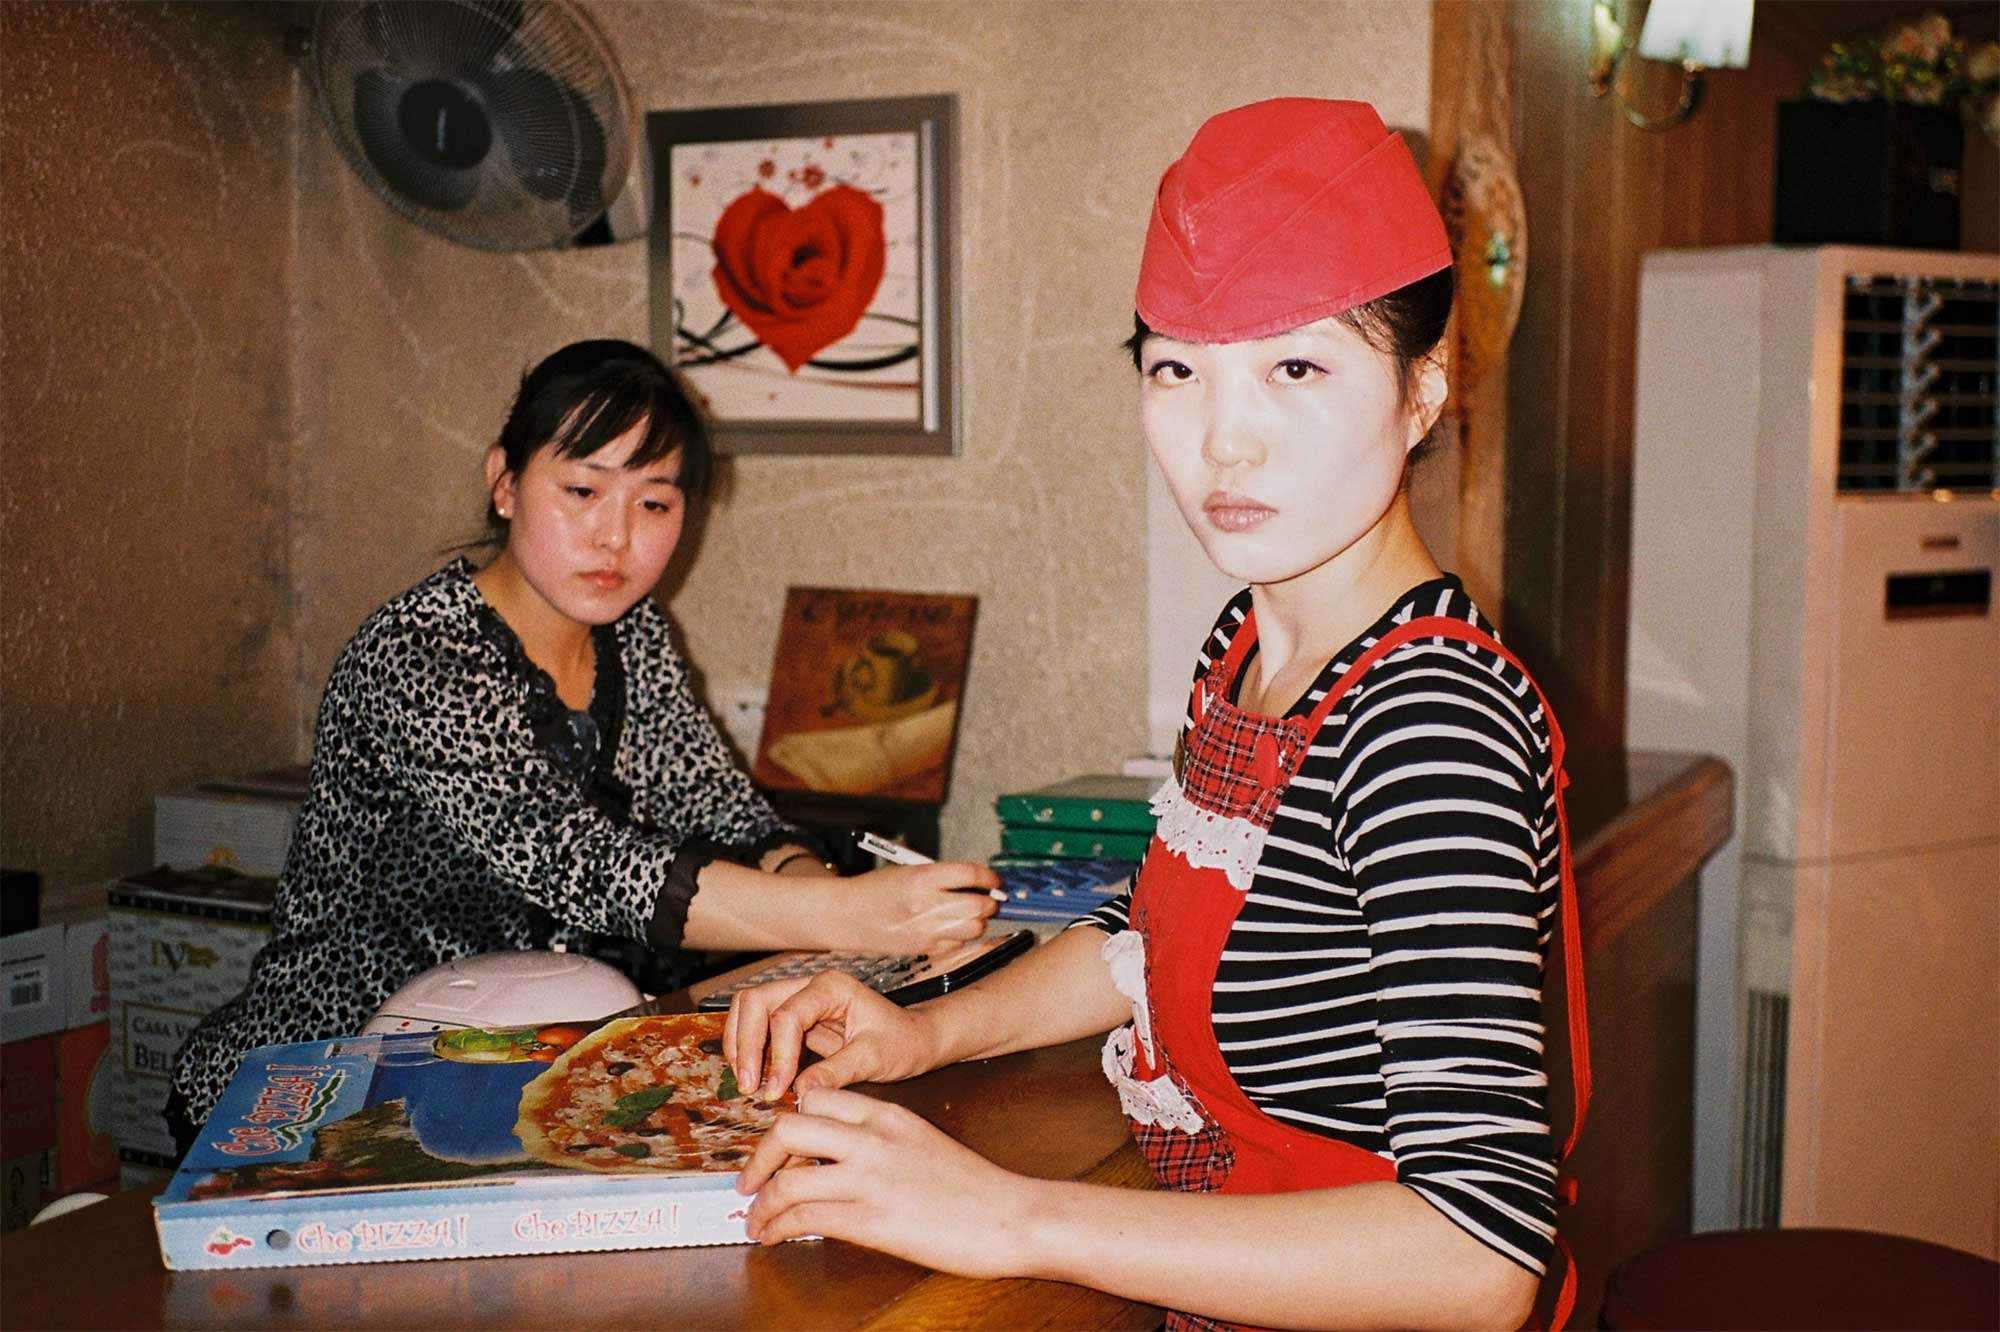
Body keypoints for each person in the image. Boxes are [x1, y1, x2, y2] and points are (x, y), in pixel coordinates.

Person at [723, 101, 1589, 1332]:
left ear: (1423, 388)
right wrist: (924, 1032)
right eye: (1176, 369)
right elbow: (1153, 940)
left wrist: (1013, 1218)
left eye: (1295, 368)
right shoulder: (1247, 646)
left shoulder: (1426, 722)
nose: (1223, 442)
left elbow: (1478, 1255)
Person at [166, 338, 998, 1149]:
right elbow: (581, 865)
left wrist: (834, 907)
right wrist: (853, 913)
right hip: (324, 1083)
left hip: (511, 1071)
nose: (615, 537)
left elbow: (724, 814)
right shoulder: (418, 652)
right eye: (581, 490)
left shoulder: (631, 633)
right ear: (504, 482)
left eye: (654, 503)